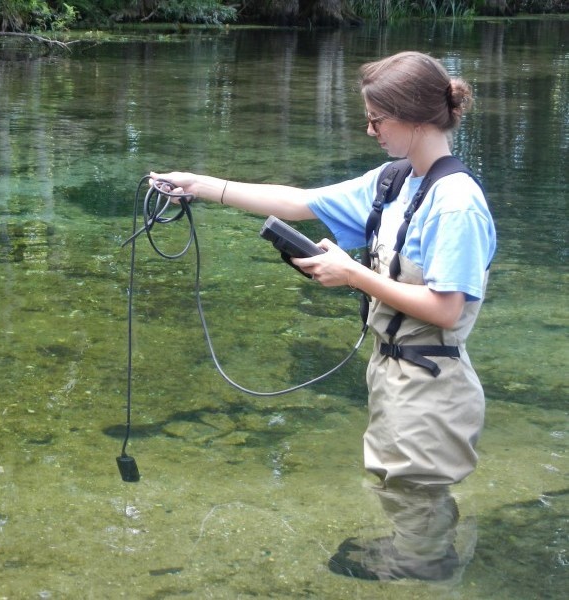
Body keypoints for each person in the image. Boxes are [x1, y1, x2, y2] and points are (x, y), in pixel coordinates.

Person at [150, 51, 496, 581]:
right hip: (393, 376)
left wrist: (352, 274)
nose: (370, 129)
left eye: (377, 119)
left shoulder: (457, 204)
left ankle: (425, 573)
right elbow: (298, 202)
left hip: (434, 386)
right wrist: (197, 185)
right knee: (399, 487)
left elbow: (447, 311)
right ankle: (421, 559)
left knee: (415, 491)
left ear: (414, 118)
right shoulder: (393, 182)